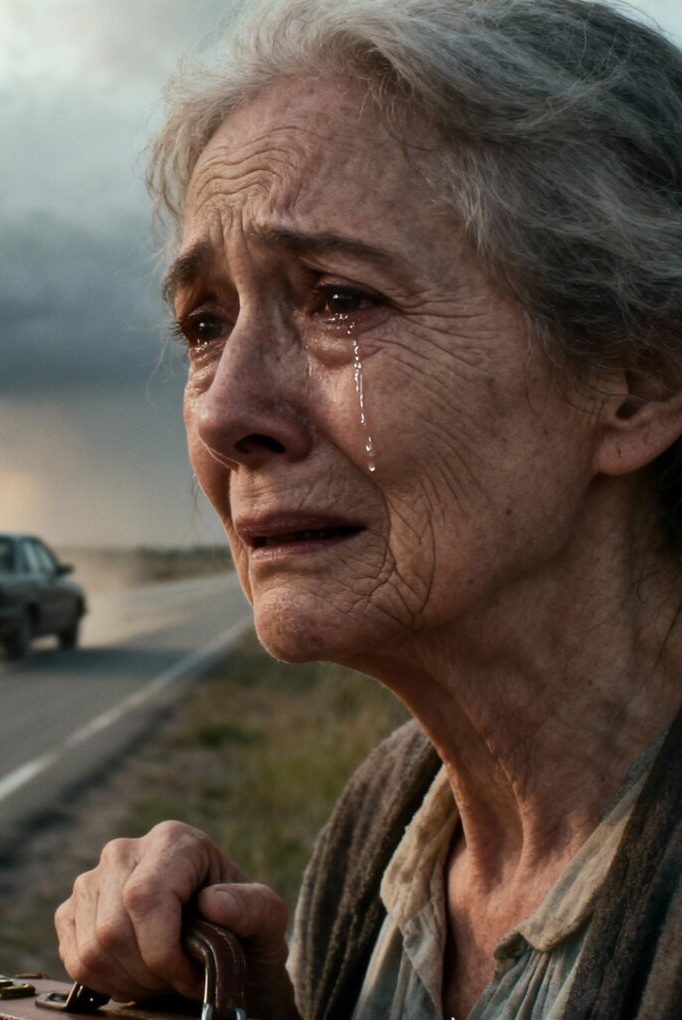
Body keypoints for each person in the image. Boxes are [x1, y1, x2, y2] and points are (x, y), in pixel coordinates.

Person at [54, 1, 682, 1017]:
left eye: (339, 299)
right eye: (205, 325)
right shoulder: (390, 823)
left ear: (638, 383)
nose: (223, 412)